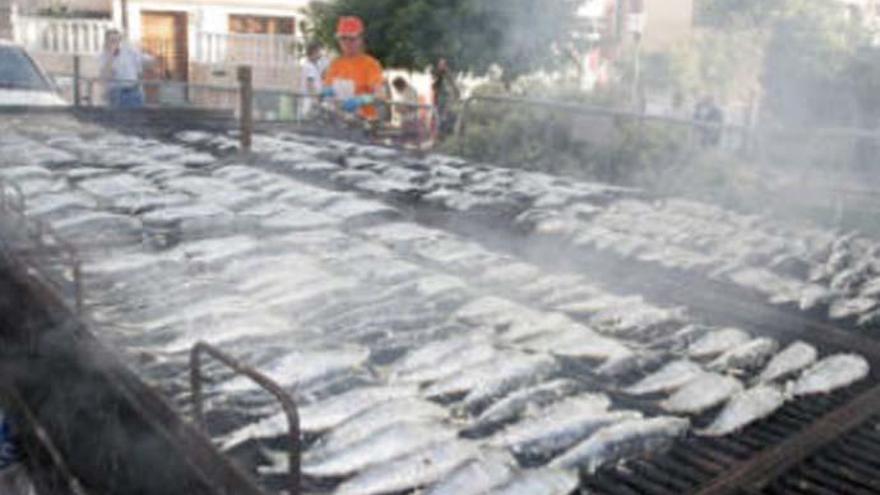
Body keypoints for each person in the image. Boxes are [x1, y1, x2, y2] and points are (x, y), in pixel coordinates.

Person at [322, 16, 385, 120]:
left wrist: (363, 99)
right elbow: (327, 89)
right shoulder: (335, 64)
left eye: (351, 39)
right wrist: (327, 92)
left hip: (365, 123)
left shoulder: (370, 64)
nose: (347, 43)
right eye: (343, 38)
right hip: (339, 120)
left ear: (360, 39)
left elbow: (381, 96)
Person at [98, 29, 153, 109]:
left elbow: (145, 64)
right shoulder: (104, 56)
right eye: (112, 40)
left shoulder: (129, 52)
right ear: (106, 42)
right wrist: (111, 56)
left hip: (134, 92)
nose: (115, 43)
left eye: (118, 40)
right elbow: (104, 76)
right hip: (117, 94)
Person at [299, 41, 330, 118]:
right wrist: (316, 99)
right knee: (310, 120)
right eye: (319, 51)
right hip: (310, 101)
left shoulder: (315, 64)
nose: (320, 54)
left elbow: (322, 76)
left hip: (314, 100)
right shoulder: (308, 66)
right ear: (314, 52)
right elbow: (310, 84)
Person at [431, 58, 460, 138]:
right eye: (439, 65)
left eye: (442, 65)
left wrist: (447, 108)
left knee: (445, 127)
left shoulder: (449, 78)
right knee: (439, 126)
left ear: (447, 66)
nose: (440, 67)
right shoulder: (439, 77)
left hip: (447, 108)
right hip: (439, 105)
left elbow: (453, 94)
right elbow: (435, 90)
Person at [391, 76, 421, 143]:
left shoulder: (411, 90)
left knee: (411, 139)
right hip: (403, 119)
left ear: (401, 84)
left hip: (411, 119)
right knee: (404, 139)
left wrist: (403, 109)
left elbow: (412, 106)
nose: (396, 89)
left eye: (397, 87)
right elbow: (398, 103)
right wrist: (397, 108)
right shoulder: (400, 91)